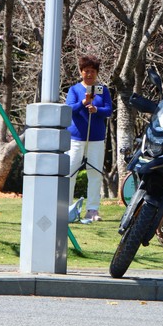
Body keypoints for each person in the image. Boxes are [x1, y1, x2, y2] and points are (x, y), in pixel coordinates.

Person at [65, 54, 113, 223]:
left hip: (96, 138)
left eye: (92, 71)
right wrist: (83, 103)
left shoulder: (103, 90)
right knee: (70, 171)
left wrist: (96, 110)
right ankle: (66, 208)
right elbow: (69, 109)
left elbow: (109, 110)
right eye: (86, 71)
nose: (89, 74)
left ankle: (92, 209)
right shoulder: (74, 90)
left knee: (95, 173)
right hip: (76, 138)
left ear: (97, 72)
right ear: (81, 72)